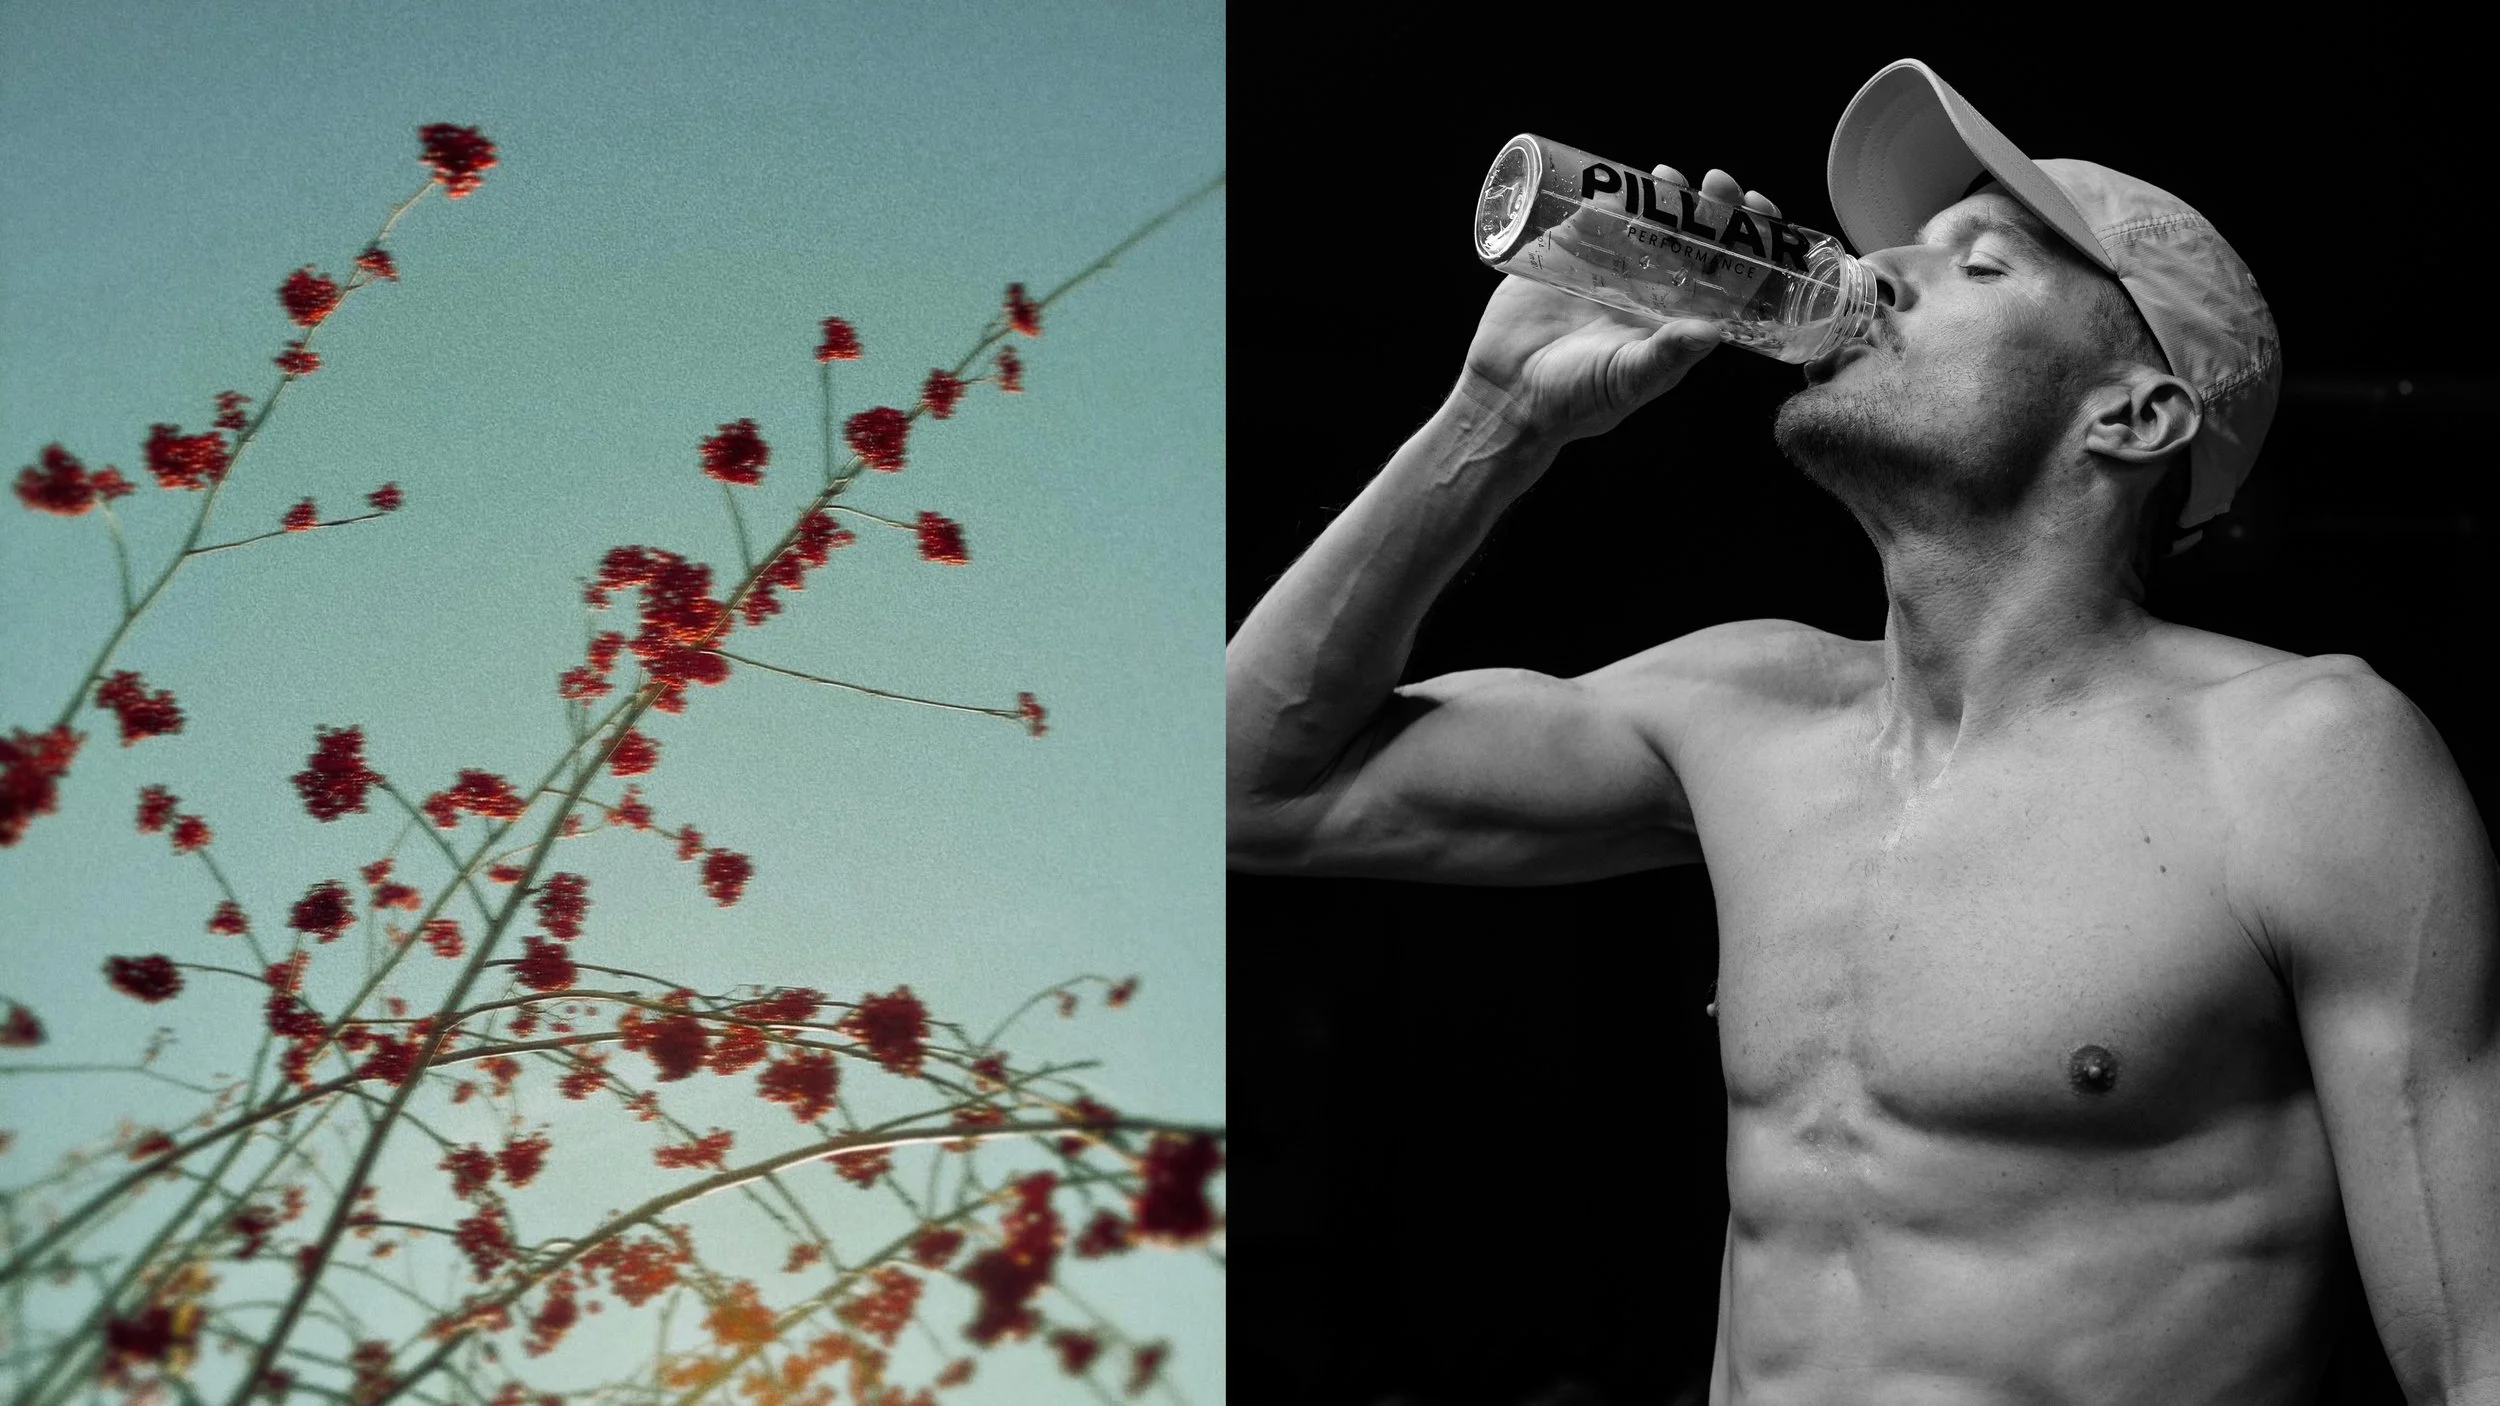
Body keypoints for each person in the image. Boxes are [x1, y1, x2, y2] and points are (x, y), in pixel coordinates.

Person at [1227, 58, 2500, 1405]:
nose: (1882, 272)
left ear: (2131, 414)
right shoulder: (1742, 714)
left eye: (1983, 266)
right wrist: (1498, 417)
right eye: (1906, 243)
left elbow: (2473, 1351)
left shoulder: (2304, 759)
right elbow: (1258, 789)